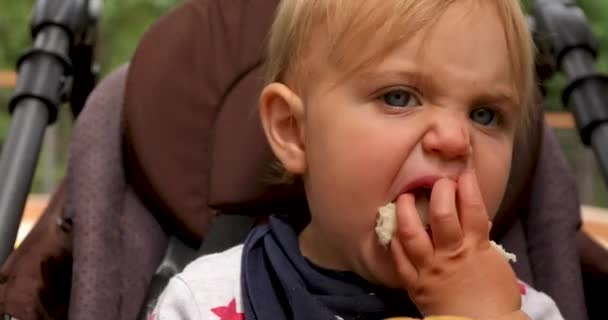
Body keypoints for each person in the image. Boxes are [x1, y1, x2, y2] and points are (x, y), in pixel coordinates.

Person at [151, 0, 564, 319]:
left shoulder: (530, 310)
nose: (456, 139)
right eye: (398, 97)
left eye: (485, 114)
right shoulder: (205, 301)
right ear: (294, 130)